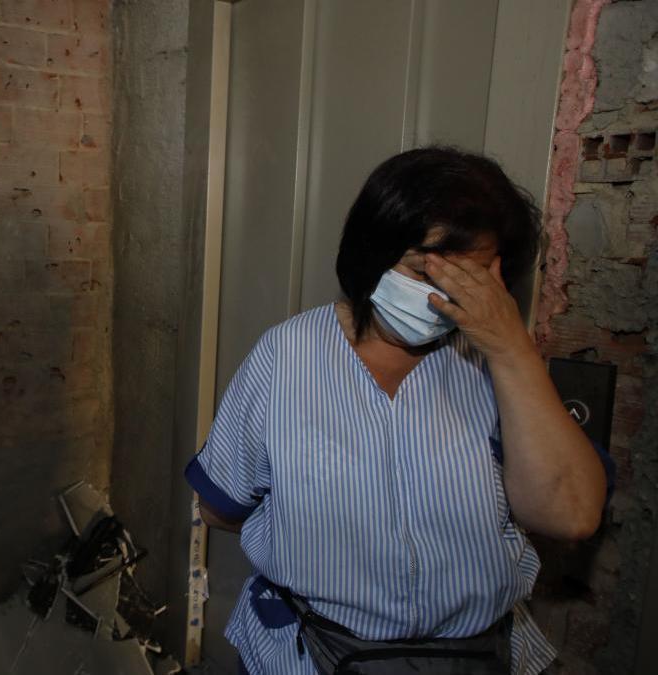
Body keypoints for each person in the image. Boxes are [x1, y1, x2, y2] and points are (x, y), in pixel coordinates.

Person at [184, 147, 608, 675]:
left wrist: (510, 349)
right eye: (422, 272)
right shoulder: (287, 355)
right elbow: (220, 505)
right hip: (313, 654)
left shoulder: (496, 366)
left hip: (474, 657)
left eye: (468, 282)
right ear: (372, 252)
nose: (440, 299)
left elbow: (571, 515)